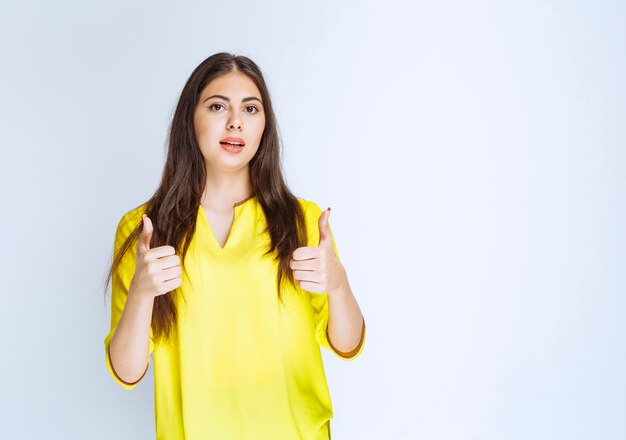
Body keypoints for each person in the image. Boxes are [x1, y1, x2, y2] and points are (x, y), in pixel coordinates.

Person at [102, 52, 366, 440]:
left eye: (251, 108)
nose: (235, 121)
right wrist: (142, 292)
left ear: (264, 126)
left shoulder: (303, 221)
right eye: (217, 106)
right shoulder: (145, 230)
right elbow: (127, 371)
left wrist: (339, 285)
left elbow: (347, 344)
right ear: (190, 120)